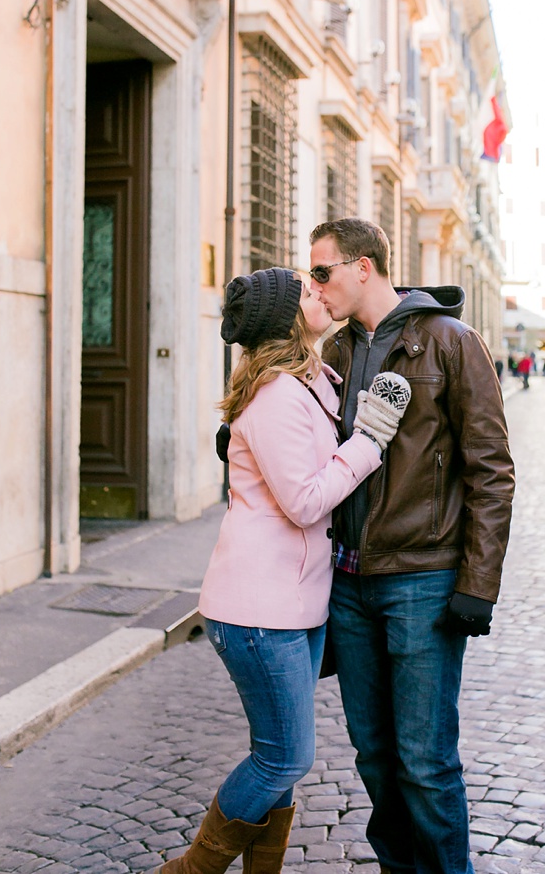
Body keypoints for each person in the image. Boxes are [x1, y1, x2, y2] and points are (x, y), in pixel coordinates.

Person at [162, 268, 409, 874]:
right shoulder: (276, 396)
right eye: (306, 291)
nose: (319, 293)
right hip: (256, 611)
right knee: (285, 758)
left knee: (279, 755)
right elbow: (303, 500)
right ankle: (190, 870)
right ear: (287, 321)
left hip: (294, 603)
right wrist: (371, 440)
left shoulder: (310, 382)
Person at [309, 218, 514, 874]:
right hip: (349, 583)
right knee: (373, 756)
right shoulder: (335, 353)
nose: (316, 286)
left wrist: (477, 585)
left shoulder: (452, 343)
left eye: (323, 272)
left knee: (425, 763)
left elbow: (491, 470)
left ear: (363, 266)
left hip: (423, 581)